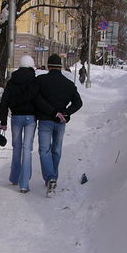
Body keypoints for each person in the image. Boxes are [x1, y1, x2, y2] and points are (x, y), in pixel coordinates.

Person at [35, 53, 82, 196]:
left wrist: (52, 111)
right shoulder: (68, 84)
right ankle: (53, 177)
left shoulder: (41, 80)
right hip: (61, 122)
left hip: (45, 120)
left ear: (48, 66)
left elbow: (37, 99)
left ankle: (50, 178)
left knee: (44, 151)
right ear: (60, 67)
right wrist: (66, 112)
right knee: (56, 150)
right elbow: (78, 103)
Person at [0, 55, 40, 193]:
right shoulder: (35, 81)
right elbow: (39, 100)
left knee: (16, 147)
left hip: (16, 117)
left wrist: (3, 121)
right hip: (31, 118)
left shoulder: (12, 81)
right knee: (27, 149)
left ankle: (14, 177)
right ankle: (24, 184)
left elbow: (4, 102)